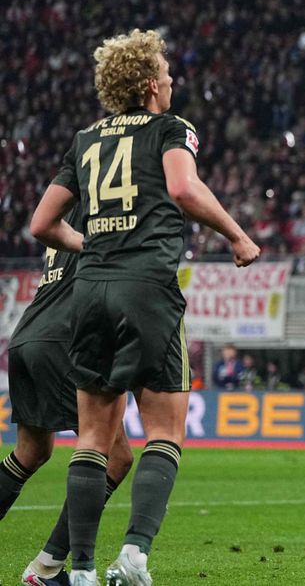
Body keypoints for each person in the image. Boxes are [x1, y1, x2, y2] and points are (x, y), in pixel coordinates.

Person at [29, 28, 260, 586]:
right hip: (147, 288)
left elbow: (42, 224)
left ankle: (80, 570)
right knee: (164, 430)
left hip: (90, 289)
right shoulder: (171, 128)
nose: (172, 80)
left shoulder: (86, 139)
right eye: (167, 72)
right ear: (152, 84)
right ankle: (133, 556)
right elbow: (183, 188)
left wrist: (94, 245)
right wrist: (236, 234)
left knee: (92, 437)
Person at [2, 215, 136, 586]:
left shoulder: (65, 211)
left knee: (30, 453)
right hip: (67, 339)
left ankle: (47, 567)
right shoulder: (106, 208)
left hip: (29, 335)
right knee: (116, 457)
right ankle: (47, 567)